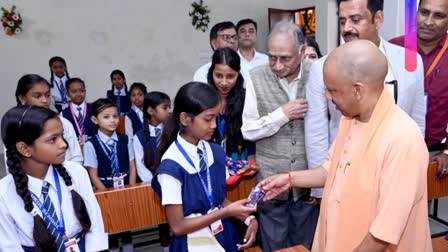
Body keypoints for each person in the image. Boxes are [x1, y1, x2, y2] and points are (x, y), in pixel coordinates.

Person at [259, 40, 432, 252]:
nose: (327, 97)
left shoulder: (403, 139)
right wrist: (289, 179)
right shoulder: (351, 119)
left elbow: (381, 234)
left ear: (358, 91)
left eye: (332, 90)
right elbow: (332, 170)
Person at [305, 0, 426, 199]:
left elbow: (417, 120)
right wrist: (321, 190)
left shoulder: (409, 62)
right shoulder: (322, 67)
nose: (346, 28)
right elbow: (316, 130)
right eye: (342, 20)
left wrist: (412, 173)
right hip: (344, 178)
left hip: (395, 175)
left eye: (355, 19)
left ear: (378, 19)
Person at [151, 82, 258, 252]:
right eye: (208, 119)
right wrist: (225, 212)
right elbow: (178, 226)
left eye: (216, 117)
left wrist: (248, 219)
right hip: (192, 243)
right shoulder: (171, 166)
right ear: (185, 118)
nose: (214, 125)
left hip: (224, 234)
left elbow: (217, 200)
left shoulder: (214, 151)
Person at [241, 21, 319, 251]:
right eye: (272, 57)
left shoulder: (318, 74)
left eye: (285, 58)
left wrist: (320, 185)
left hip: (307, 183)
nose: (277, 65)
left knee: (305, 245)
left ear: (303, 51)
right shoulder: (255, 76)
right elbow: (248, 129)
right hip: (270, 183)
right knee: (274, 246)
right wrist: (281, 115)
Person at [0, 105, 108, 251]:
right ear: (25, 149)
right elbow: (9, 246)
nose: (63, 144)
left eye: (62, 135)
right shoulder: (4, 193)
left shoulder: (76, 172)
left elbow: (95, 224)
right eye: (52, 139)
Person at [390, 0, 448, 177]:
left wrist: (447, 153)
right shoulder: (393, 48)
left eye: (438, 16)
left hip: (436, 156)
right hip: (391, 152)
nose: (428, 22)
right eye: (424, 12)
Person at [83, 98, 136, 252]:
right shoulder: (90, 144)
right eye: (106, 117)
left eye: (115, 116)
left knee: (127, 227)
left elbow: (132, 166)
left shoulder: (125, 139)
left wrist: (130, 189)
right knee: (111, 228)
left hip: (125, 186)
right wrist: (108, 195)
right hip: (104, 189)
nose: (112, 120)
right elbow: (93, 175)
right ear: (95, 119)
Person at [15, 74, 83, 165]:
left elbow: (76, 157)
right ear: (22, 98)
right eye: (37, 96)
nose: (44, 100)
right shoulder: (15, 126)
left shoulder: (62, 122)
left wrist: (71, 176)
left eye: (47, 95)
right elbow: (12, 164)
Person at [208, 47, 256, 163]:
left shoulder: (247, 98)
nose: (224, 82)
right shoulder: (203, 99)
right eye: (219, 76)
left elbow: (253, 132)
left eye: (230, 76)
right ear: (211, 73)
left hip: (241, 163)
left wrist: (252, 157)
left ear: (238, 74)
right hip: (210, 162)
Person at [193, 21, 251, 87]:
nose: (232, 41)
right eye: (226, 37)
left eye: (235, 37)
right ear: (214, 43)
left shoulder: (248, 69)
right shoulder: (202, 73)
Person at [133, 91, 171, 182]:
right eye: (165, 108)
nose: (169, 111)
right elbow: (140, 164)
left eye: (170, 107)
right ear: (150, 111)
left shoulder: (172, 132)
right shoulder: (139, 137)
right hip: (150, 183)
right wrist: (153, 181)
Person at [61, 78, 94, 145]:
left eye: (81, 91)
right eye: (74, 91)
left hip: (93, 147)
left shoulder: (94, 109)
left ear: (85, 91)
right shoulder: (63, 114)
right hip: (74, 149)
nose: (78, 94)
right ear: (67, 94)